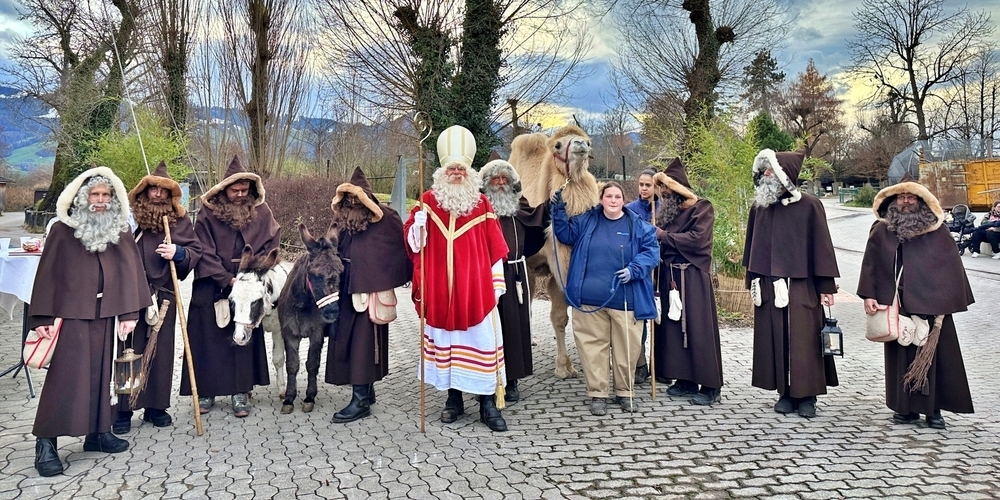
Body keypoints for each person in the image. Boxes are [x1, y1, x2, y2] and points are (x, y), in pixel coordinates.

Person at [29, 166, 151, 477]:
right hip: (71, 315)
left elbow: (131, 273)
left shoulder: (119, 230)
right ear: (83, 198)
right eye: (94, 195)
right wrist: (42, 316)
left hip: (106, 315)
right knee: (66, 377)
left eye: (105, 196)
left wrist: (129, 314)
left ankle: (98, 432)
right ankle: (46, 441)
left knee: (100, 376)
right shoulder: (62, 230)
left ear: (113, 199)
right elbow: (47, 275)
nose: (100, 201)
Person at [403, 125, 511, 432]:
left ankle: (488, 405)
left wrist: (495, 284)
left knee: (482, 343)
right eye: (451, 168)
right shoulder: (427, 201)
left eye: (460, 169)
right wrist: (417, 226)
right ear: (441, 171)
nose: (456, 173)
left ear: (470, 171)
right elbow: (415, 247)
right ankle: (454, 400)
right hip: (440, 292)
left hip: (476, 291)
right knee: (448, 346)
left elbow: (494, 247)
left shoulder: (481, 203)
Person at [857, 176, 975, 430]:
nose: (907, 201)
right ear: (894, 200)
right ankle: (905, 409)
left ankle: (934, 410)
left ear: (921, 201)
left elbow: (951, 267)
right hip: (897, 304)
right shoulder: (881, 229)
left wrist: (947, 300)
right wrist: (869, 295)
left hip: (933, 307)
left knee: (935, 357)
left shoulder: (937, 230)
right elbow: (871, 264)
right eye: (902, 197)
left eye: (912, 197)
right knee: (901, 356)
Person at [742, 149, 840, 419]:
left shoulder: (809, 205)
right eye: (764, 171)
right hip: (769, 285)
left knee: (804, 339)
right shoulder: (759, 207)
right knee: (775, 337)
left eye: (771, 171)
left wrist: (826, 288)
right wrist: (752, 281)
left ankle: (806, 396)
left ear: (786, 175)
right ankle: (784, 392)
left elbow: (821, 248)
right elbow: (752, 248)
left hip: (801, 285)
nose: (766, 175)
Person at [181, 156, 279, 417]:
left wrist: (251, 276)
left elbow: (272, 244)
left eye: (244, 191)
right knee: (207, 339)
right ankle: (206, 391)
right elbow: (202, 248)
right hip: (212, 283)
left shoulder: (262, 212)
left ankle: (240, 392)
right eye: (234, 190)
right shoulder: (207, 213)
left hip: (247, 287)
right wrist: (227, 279)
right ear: (224, 190)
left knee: (242, 338)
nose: (239, 195)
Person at [551, 181, 659, 415]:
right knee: (592, 349)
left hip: (625, 299)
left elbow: (651, 252)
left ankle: (625, 392)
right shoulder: (586, 221)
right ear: (601, 199)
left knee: (626, 350)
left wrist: (635, 269)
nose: (612, 200)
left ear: (623, 200)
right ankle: (598, 394)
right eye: (608, 196)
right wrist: (558, 210)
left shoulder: (638, 225)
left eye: (617, 197)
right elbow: (564, 234)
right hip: (589, 301)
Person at [112, 161, 202, 434]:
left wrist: (179, 253)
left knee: (161, 353)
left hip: (163, 297)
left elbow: (195, 251)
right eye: (153, 189)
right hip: (129, 295)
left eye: (164, 191)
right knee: (128, 352)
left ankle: (156, 407)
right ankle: (123, 410)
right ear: (144, 191)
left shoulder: (180, 220)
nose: (158, 194)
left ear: (171, 195)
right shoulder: (127, 218)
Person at [325, 167, 412, 423]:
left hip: (370, 290)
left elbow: (401, 250)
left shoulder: (386, 219)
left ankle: (360, 400)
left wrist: (381, 277)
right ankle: (367, 390)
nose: (352, 203)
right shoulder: (342, 221)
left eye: (357, 199)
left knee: (364, 343)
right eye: (348, 199)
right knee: (346, 340)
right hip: (345, 288)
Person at [650, 158, 724, 405]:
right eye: (663, 191)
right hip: (670, 276)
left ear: (679, 187)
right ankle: (684, 379)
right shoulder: (667, 213)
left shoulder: (702, 208)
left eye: (668, 190)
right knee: (672, 330)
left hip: (692, 277)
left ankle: (710, 385)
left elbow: (697, 239)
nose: (665, 195)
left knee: (698, 329)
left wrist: (663, 236)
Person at [479, 159, 548, 403]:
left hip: (514, 275)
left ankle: (512, 381)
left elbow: (536, 222)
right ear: (485, 183)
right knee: (487, 330)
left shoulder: (519, 205)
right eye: (494, 178)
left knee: (513, 327)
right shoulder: (477, 210)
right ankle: (486, 380)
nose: (500, 183)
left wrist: (552, 205)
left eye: (504, 178)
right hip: (484, 277)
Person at [624, 169, 659, 384]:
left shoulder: (663, 209)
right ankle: (640, 364)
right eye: (641, 184)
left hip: (661, 271)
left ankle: (662, 365)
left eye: (649, 185)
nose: (644, 188)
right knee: (640, 319)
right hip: (640, 272)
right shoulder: (630, 210)